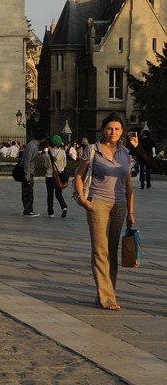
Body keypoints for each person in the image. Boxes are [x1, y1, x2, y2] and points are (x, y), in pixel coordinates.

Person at [74, 115, 136, 311]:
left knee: (112, 251)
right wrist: (83, 200)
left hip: (119, 205)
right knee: (100, 251)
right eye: (110, 128)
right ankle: (107, 298)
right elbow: (78, 174)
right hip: (97, 202)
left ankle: (107, 292)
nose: (113, 132)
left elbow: (128, 185)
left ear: (122, 131)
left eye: (117, 129)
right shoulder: (92, 150)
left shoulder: (125, 153)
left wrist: (130, 211)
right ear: (103, 130)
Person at [45, 136, 69, 218]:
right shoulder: (62, 152)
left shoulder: (48, 153)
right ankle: (64, 207)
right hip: (59, 175)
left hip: (49, 175)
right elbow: (65, 164)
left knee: (50, 194)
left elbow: (45, 165)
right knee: (59, 194)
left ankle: (51, 212)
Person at [20, 133, 40, 216]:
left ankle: (28, 210)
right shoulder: (32, 146)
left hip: (30, 171)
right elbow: (27, 160)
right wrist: (27, 174)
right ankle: (28, 211)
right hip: (28, 172)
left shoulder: (33, 145)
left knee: (29, 191)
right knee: (28, 192)